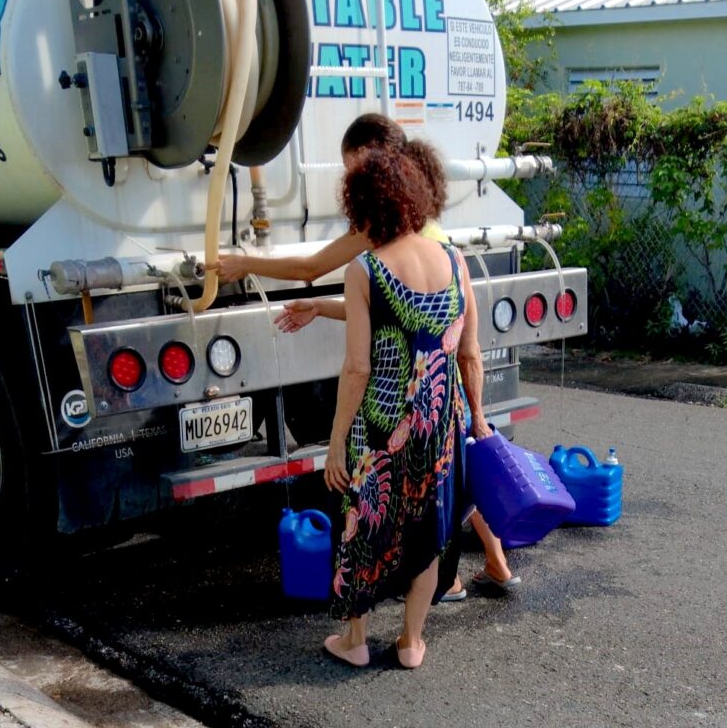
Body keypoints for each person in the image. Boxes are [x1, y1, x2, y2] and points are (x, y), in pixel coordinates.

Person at [205, 114, 519, 597]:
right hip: (440, 389)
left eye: (357, 169)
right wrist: (476, 413)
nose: (353, 185)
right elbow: (414, 320)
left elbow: (315, 269)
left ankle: (411, 592)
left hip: (403, 393)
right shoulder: (427, 224)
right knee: (449, 480)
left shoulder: (386, 223)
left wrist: (245, 262)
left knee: (405, 493)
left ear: (380, 165)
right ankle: (478, 567)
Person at [320, 141, 490, 669]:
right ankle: (411, 641)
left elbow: (357, 368)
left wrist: (335, 444)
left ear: (365, 206)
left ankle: (355, 642)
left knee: (364, 521)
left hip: (381, 422)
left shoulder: (365, 270)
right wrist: (478, 418)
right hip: (442, 422)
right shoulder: (456, 260)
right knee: (430, 524)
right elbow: (470, 354)